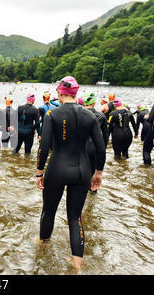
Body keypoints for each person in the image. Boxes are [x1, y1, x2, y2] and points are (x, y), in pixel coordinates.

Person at [36, 76, 105, 272]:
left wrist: (39, 172)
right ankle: (77, 265)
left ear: (60, 92)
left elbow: (44, 146)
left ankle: (43, 245)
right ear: (76, 93)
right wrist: (98, 173)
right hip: (83, 170)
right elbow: (101, 149)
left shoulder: (52, 114)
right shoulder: (91, 116)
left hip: (57, 168)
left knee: (48, 210)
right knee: (75, 217)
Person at [82, 92, 108, 187]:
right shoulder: (101, 115)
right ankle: (93, 191)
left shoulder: (78, 114)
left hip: (81, 147)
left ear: (83, 102)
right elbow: (105, 136)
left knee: (81, 172)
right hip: (95, 147)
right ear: (94, 103)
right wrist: (102, 149)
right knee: (94, 172)